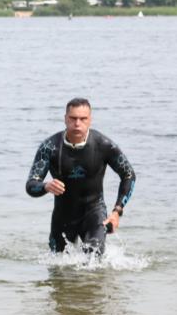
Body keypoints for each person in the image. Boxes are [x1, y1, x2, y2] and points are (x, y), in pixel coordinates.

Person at [25, 98, 135, 255]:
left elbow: (129, 175)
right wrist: (45, 186)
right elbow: (30, 185)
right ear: (65, 119)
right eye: (73, 118)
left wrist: (117, 211)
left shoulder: (104, 145)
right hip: (63, 216)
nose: (77, 123)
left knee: (94, 260)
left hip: (94, 212)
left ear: (90, 120)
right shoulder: (49, 147)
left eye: (83, 119)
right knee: (57, 267)